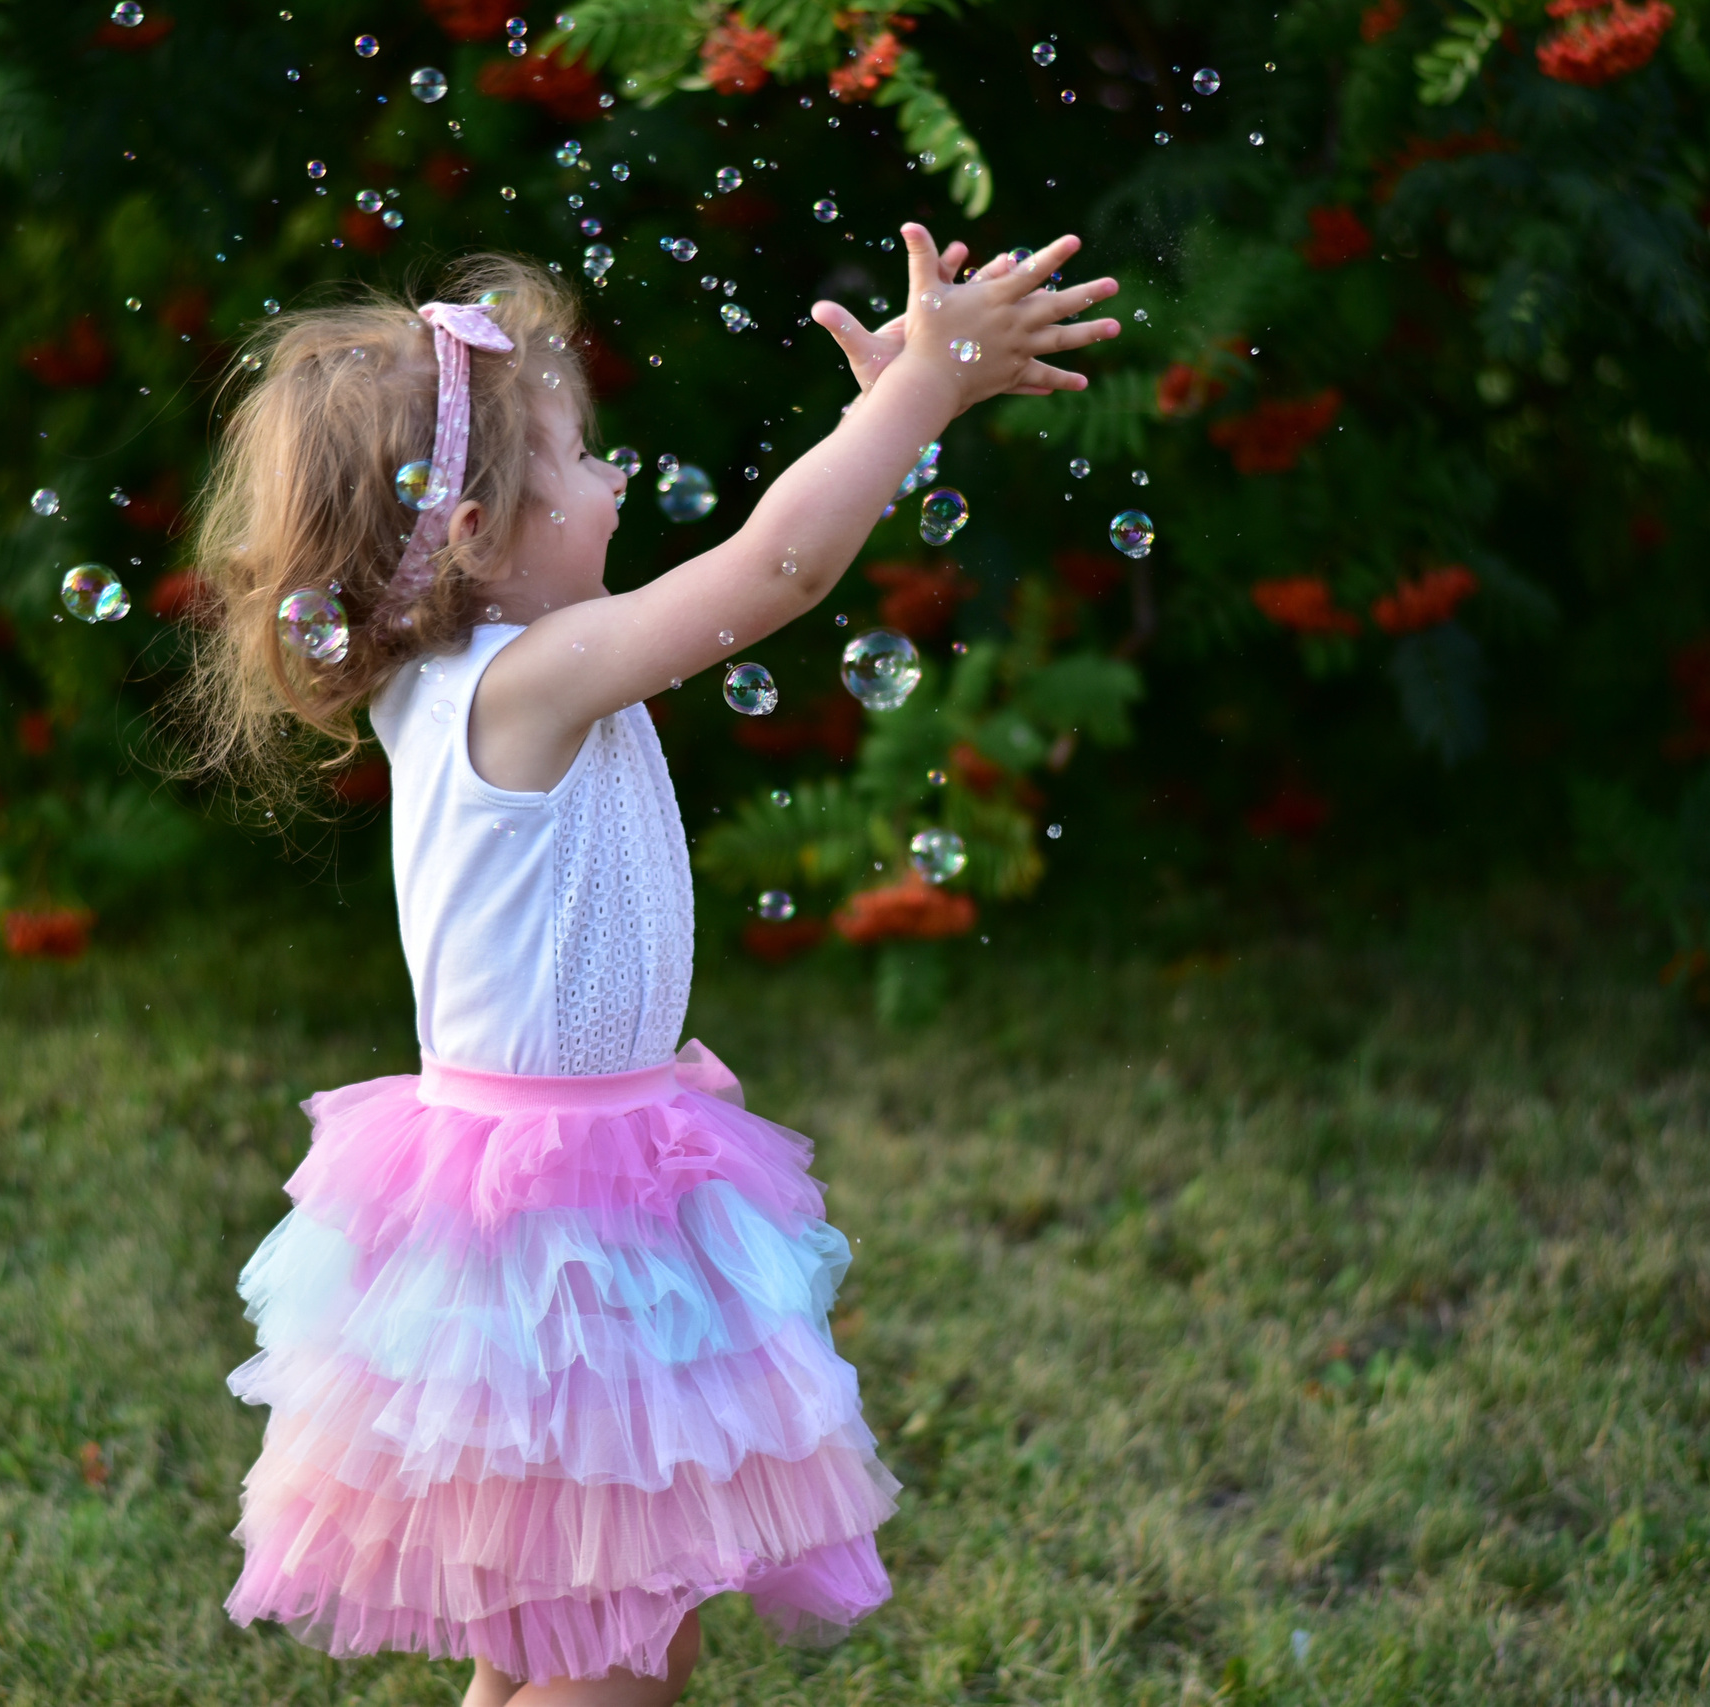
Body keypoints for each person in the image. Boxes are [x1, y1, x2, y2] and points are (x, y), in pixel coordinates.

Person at [185, 226, 1119, 1706]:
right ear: (479, 527)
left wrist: (871, 415)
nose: (619, 477)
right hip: (564, 1234)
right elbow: (781, 567)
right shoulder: (525, 681)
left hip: (565, 1196)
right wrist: (913, 401)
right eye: (584, 452)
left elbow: (772, 557)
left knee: (563, 1644)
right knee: (618, 1657)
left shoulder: (498, 673)